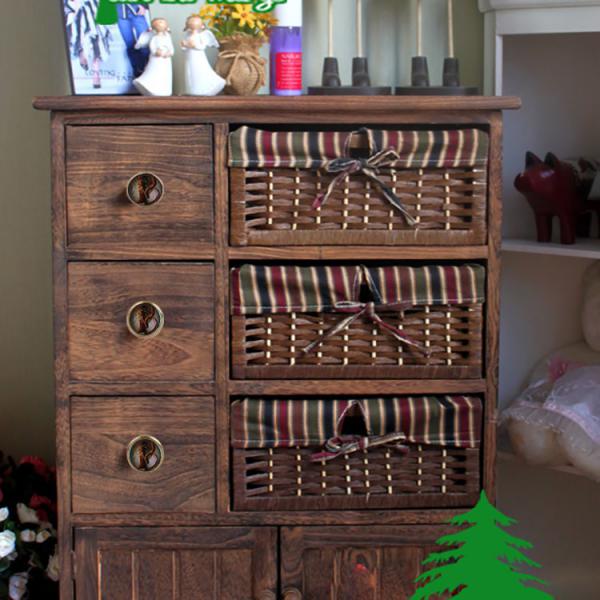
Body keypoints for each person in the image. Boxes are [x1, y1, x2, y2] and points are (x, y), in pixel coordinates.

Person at [64, 0, 112, 89]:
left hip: (93, 14)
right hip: (77, 16)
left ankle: (96, 76)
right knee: (81, 42)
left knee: (97, 46)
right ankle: (82, 55)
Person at [181, 16, 225, 96]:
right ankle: (192, 89)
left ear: (202, 26)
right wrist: (184, 45)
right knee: (190, 71)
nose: (192, 23)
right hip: (189, 57)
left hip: (198, 57)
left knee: (199, 71)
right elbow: (184, 48)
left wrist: (195, 45)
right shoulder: (188, 35)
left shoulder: (201, 35)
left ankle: (202, 89)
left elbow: (202, 47)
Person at [133, 18, 174, 96]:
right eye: (159, 23)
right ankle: (152, 87)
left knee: (164, 74)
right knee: (155, 72)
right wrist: (156, 52)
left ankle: (164, 90)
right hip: (156, 59)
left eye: (162, 22)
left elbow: (171, 48)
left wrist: (169, 53)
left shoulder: (167, 37)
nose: (161, 24)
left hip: (165, 60)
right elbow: (152, 47)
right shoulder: (154, 37)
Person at [117, 3, 150, 78]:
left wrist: (144, 5)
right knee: (130, 44)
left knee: (145, 41)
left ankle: (149, 68)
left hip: (137, 10)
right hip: (120, 13)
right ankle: (138, 71)